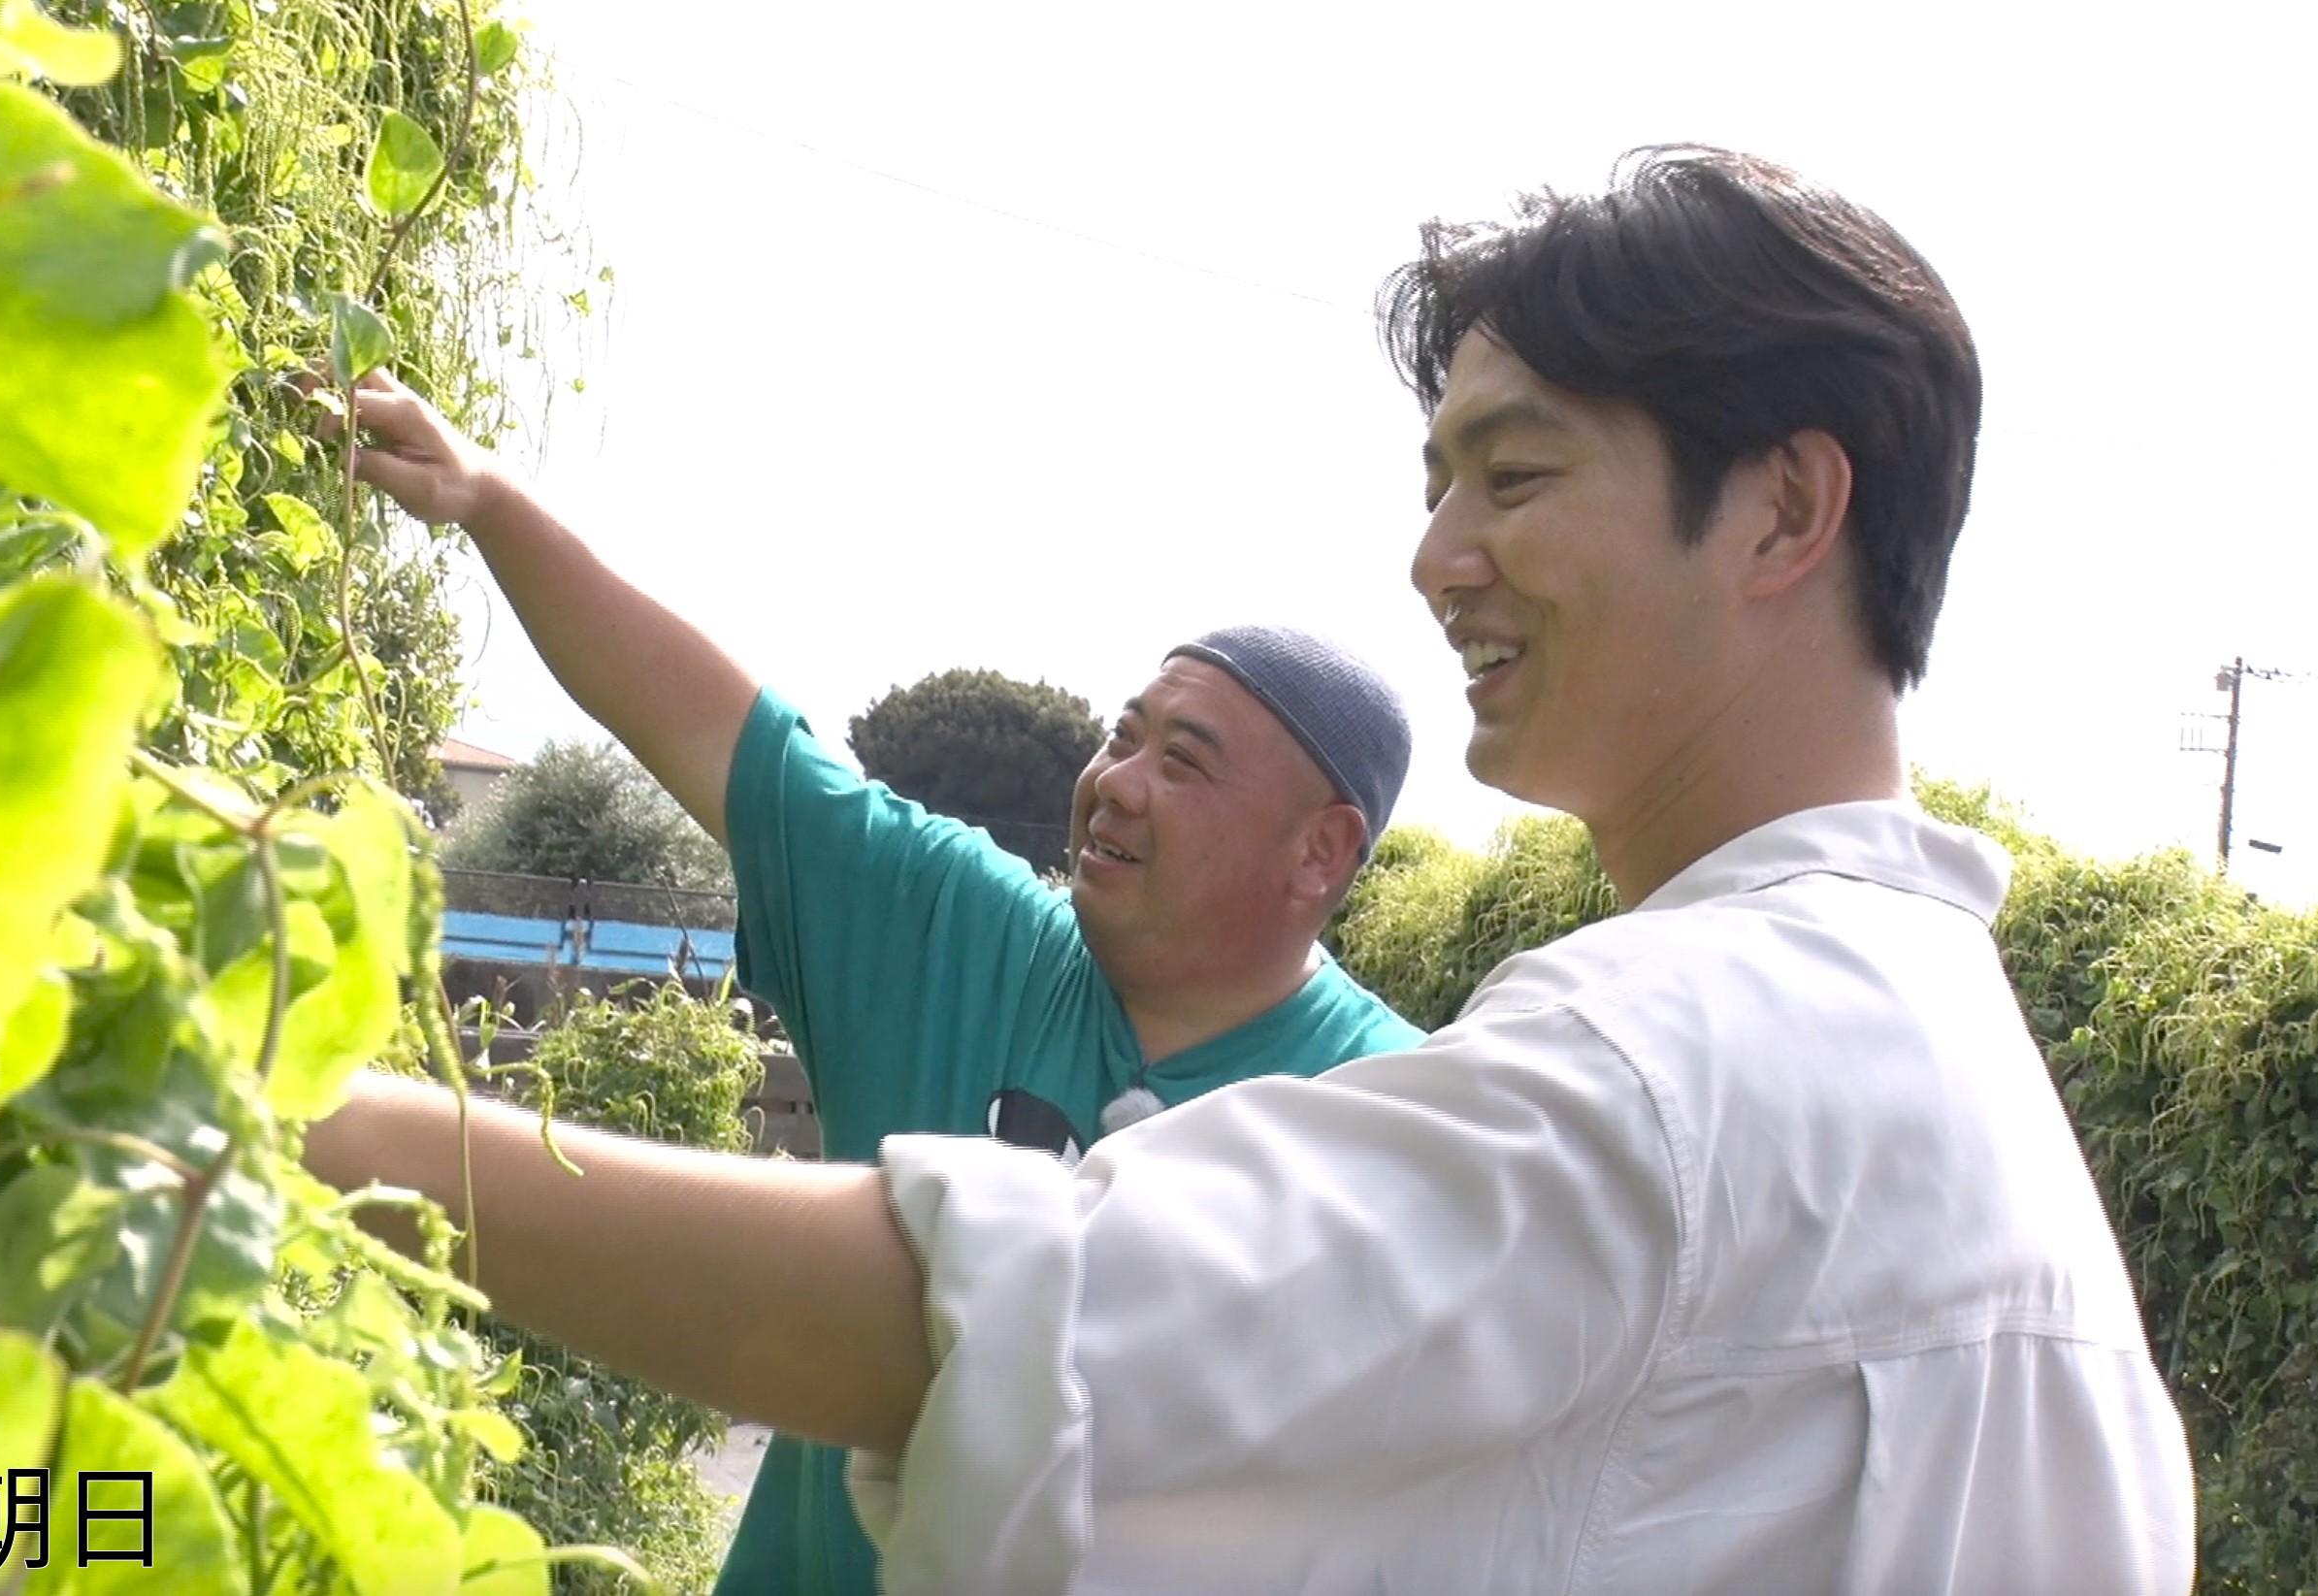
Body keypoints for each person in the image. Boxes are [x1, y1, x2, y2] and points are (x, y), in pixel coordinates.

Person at [308, 145, 2198, 1593]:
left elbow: (1001, 1333)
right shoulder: (1960, 1104)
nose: (1439, 554)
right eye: (1438, 482)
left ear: (1785, 506)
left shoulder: (1682, 1055)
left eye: (1517, 478)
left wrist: (274, 1126)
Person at [327, 374, 1426, 1593]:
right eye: (1123, 736)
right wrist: (489, 500)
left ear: (1321, 850)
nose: (1116, 781)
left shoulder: (1395, 1110)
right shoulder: (963, 936)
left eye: (1185, 762)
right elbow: (733, 738)